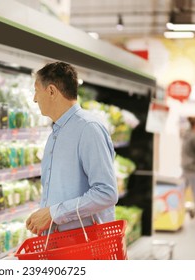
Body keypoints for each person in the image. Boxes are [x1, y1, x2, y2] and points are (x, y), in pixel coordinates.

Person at [26, 61, 118, 236]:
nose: (34, 99)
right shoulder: (57, 131)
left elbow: (107, 193)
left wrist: (54, 213)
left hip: (85, 247)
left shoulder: (88, 128)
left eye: (37, 90)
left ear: (51, 91)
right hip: (61, 244)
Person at [181, 116, 195, 220]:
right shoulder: (194, 136)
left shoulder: (186, 134)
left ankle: (177, 209)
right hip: (191, 167)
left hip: (185, 165)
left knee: (182, 189)